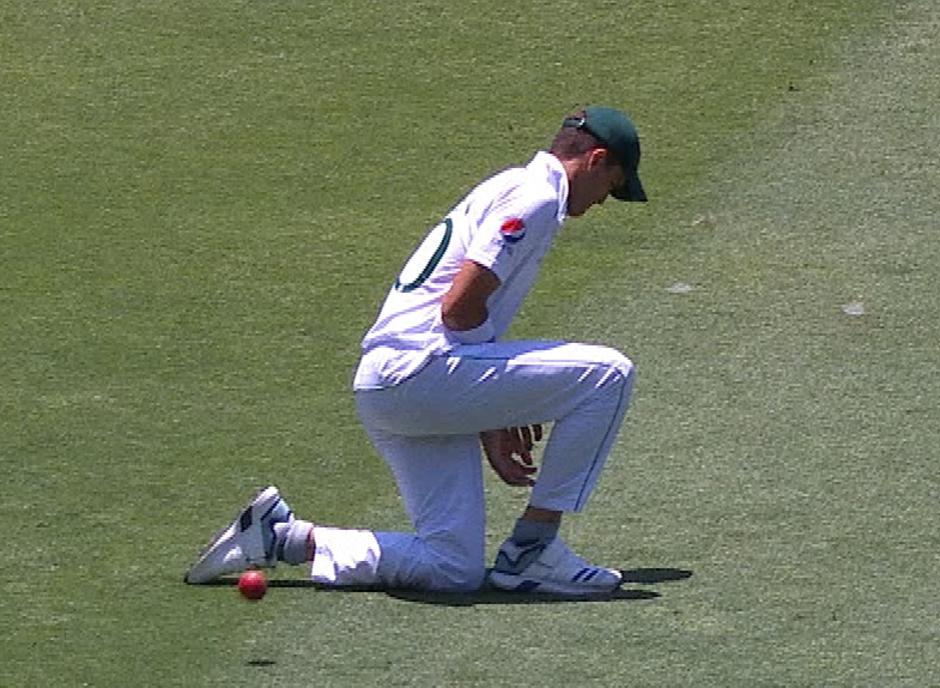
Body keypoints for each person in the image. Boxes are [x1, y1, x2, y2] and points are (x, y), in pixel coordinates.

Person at [185, 106, 647, 596]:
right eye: (613, 188)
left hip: (391, 385)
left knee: (453, 568)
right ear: (596, 159)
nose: (603, 203)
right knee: (609, 376)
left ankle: (283, 537)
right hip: (419, 372)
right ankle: (534, 548)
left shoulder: (512, 186)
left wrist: (490, 407)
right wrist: (495, 413)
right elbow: (459, 309)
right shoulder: (534, 197)